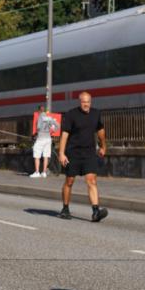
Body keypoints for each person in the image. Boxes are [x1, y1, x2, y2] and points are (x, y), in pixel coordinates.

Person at [57, 92, 108, 222]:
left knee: (92, 180)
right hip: (73, 153)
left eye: (88, 102)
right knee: (69, 181)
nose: (86, 104)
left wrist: (103, 146)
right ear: (80, 102)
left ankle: (96, 212)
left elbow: (100, 130)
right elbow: (64, 135)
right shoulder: (71, 114)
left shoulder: (96, 114)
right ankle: (65, 209)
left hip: (89, 153)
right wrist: (62, 153)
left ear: (91, 101)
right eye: (84, 102)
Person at [30, 104, 56, 178]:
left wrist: (34, 135)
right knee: (46, 156)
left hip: (41, 138)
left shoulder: (40, 117)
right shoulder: (49, 117)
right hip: (48, 139)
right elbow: (53, 128)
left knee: (37, 155)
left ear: (39, 111)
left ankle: (37, 172)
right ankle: (44, 172)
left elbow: (38, 128)